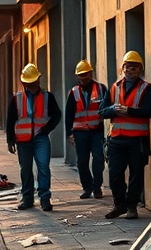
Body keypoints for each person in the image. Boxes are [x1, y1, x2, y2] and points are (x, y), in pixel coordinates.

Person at [100, 51, 151, 219]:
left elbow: (149, 111)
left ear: (140, 70)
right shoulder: (115, 87)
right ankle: (120, 204)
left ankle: (132, 207)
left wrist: (129, 111)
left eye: (134, 67)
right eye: (127, 66)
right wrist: (113, 110)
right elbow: (102, 111)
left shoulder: (146, 88)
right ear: (122, 68)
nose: (130, 69)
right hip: (117, 139)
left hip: (137, 140)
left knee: (136, 175)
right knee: (115, 173)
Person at [6, 63, 62, 211]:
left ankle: (45, 198)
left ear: (38, 80)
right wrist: (10, 140)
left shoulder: (47, 97)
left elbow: (57, 115)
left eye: (34, 82)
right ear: (24, 83)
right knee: (25, 169)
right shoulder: (17, 98)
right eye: (29, 83)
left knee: (43, 167)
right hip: (22, 140)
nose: (32, 85)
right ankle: (27, 198)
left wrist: (46, 129)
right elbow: (10, 120)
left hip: (40, 138)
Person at [65, 59, 107, 200]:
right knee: (82, 161)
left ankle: (97, 187)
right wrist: (69, 133)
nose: (84, 77)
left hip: (96, 131)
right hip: (80, 132)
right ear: (77, 76)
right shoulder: (74, 93)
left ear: (91, 73)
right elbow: (69, 114)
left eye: (86, 74)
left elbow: (107, 108)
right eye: (81, 75)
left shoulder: (101, 89)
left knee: (99, 159)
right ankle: (87, 188)